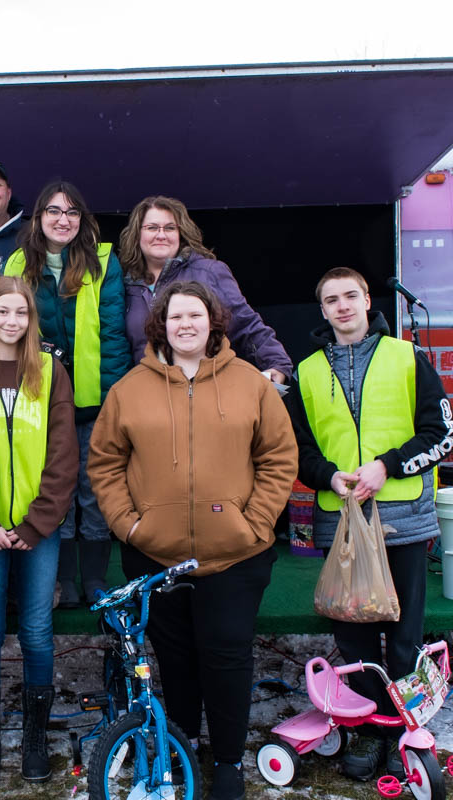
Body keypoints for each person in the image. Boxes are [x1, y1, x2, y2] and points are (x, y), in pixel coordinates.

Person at [88, 281, 297, 800]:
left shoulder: (250, 382)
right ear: (161, 326)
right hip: (155, 555)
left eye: (196, 316)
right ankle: (180, 750)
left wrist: (255, 523)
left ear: (213, 323)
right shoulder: (129, 389)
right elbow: (106, 463)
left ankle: (226, 762)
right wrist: (129, 525)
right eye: (176, 317)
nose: (186, 325)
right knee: (175, 661)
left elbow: (278, 458)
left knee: (226, 657)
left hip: (235, 555)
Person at [286, 267, 453, 781]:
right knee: (355, 639)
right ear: (322, 310)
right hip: (342, 522)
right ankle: (366, 730)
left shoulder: (408, 358)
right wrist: (328, 476)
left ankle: (401, 731)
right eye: (331, 299)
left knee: (403, 638)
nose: (342, 306)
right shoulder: (307, 371)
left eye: (350, 296)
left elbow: (441, 433)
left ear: (367, 301)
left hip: (403, 518)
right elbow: (296, 449)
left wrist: (388, 465)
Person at [0, 277, 78, 785]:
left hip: (39, 527)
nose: (12, 321)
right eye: (2, 311)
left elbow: (63, 454)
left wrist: (36, 523)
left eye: (21, 313)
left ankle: (34, 737)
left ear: (32, 320)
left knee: (35, 631)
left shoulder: (50, 370)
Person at [5, 181, 132, 607]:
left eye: (72, 212)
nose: (63, 220)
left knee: (93, 489)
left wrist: (113, 397)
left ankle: (94, 577)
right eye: (54, 211)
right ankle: (62, 580)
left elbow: (114, 334)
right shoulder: (19, 262)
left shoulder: (103, 261)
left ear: (83, 220)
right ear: (38, 218)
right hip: (41, 396)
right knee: (53, 486)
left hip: (96, 397)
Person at [118, 195, 292, 381]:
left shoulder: (209, 272)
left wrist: (276, 362)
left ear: (181, 233)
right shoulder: (125, 284)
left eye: (169, 228)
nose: (161, 235)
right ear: (137, 234)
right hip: (151, 393)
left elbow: (246, 324)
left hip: (207, 388)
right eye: (152, 228)